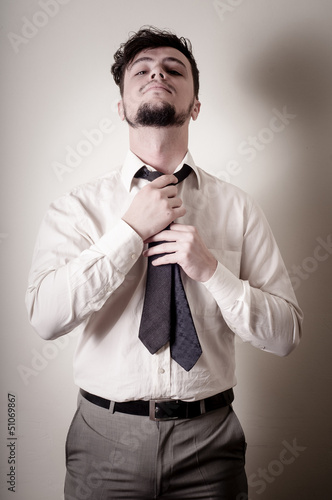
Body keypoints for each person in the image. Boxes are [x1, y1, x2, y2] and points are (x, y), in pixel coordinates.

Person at [26, 26, 303, 500]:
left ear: (196, 106)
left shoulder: (238, 208)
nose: (158, 72)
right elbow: (45, 319)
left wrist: (214, 272)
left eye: (174, 69)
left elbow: (286, 337)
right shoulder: (75, 208)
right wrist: (128, 234)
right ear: (122, 108)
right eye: (143, 71)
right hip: (103, 438)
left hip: (211, 444)